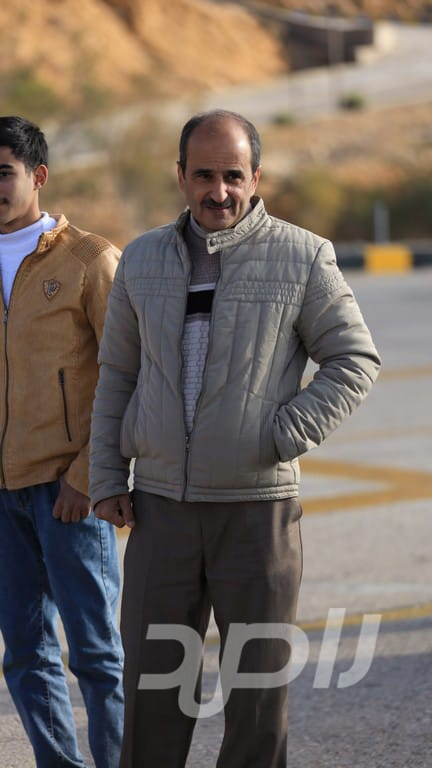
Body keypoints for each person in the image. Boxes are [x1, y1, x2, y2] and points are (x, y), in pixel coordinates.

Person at [90, 109, 381, 768]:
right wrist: (106, 477)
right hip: (161, 511)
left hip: (257, 514)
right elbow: (117, 375)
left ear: (256, 177)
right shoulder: (141, 260)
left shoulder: (302, 256)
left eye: (232, 176)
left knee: (255, 705)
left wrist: (279, 435)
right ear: (181, 176)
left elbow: (355, 360)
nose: (217, 191)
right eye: (203, 176)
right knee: (153, 696)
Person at [0, 116, 124, 768]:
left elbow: (129, 374)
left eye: (4, 173)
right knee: (25, 654)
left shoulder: (88, 260)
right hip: (2, 495)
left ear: (38, 175)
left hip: (68, 492)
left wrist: (87, 474)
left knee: (97, 655)